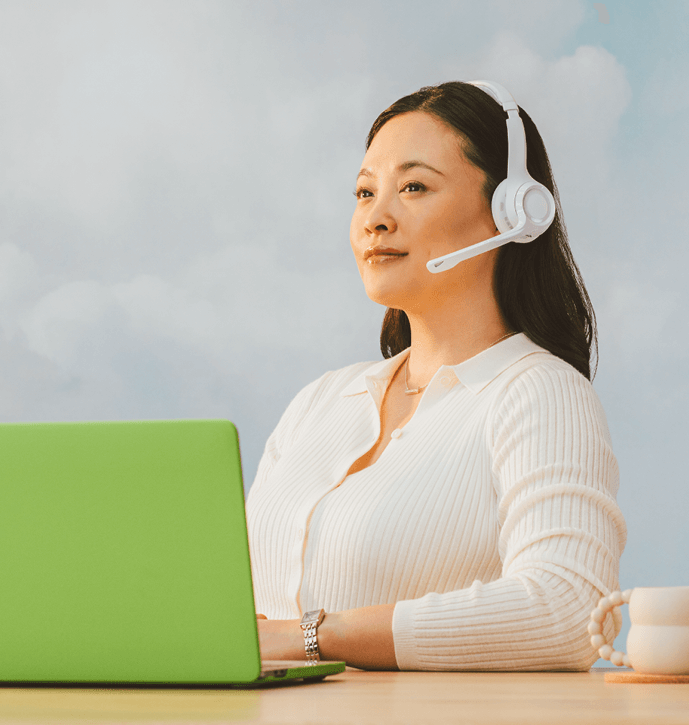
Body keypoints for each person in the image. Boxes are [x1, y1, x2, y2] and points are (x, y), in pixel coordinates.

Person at [245, 81, 625, 671]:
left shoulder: (539, 393)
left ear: (512, 211)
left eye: (414, 187)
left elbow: (572, 610)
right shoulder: (321, 400)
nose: (375, 218)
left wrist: (319, 636)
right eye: (364, 192)